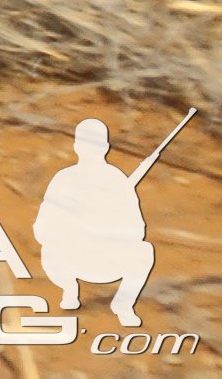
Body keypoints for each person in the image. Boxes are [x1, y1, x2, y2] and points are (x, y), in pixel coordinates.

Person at [35, 118, 157, 327]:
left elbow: (137, 231)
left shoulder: (116, 182)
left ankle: (122, 304)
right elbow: (43, 229)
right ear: (106, 147)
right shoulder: (66, 179)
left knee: (144, 251)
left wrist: (107, 227)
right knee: (143, 251)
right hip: (72, 259)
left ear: (76, 147)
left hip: (100, 260)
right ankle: (70, 290)